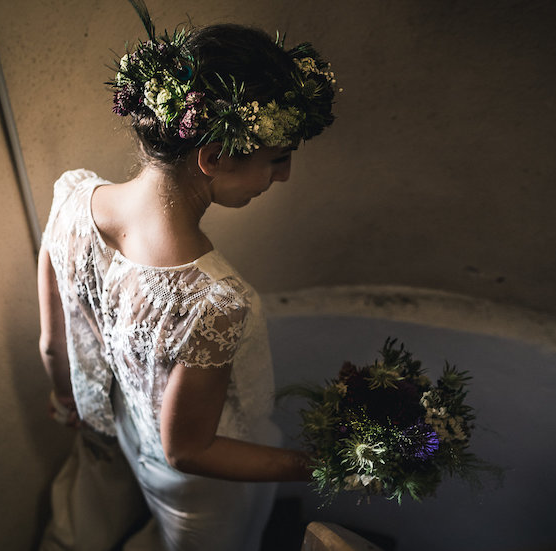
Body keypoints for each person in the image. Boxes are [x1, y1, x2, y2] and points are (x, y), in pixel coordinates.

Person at [37, 10, 337, 551]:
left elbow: (52, 342)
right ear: (213, 156)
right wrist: (319, 467)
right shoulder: (213, 301)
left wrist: (66, 399)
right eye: (277, 160)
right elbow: (191, 451)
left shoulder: (71, 198)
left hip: (132, 434)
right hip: (200, 484)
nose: (283, 176)